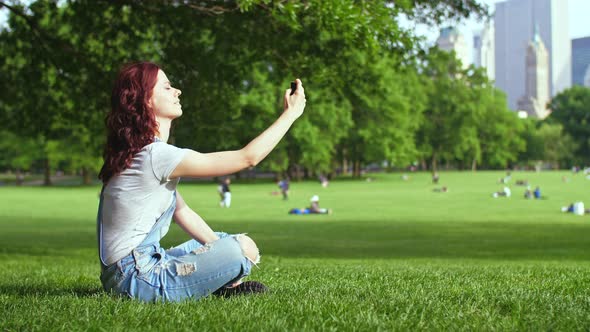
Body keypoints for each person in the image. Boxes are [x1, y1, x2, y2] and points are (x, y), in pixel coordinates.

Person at [96, 62, 306, 302]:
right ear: (147, 100)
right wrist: (291, 114)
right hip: (138, 278)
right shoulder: (156, 156)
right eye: (167, 87)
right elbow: (247, 158)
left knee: (223, 240)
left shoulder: (140, 153)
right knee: (244, 247)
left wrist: (221, 257)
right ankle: (214, 282)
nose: (177, 91)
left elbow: (182, 211)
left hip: (124, 274)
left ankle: (217, 281)